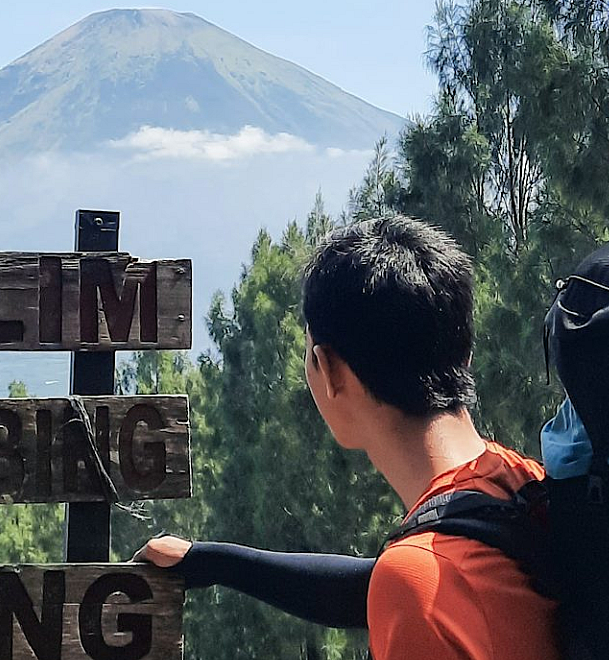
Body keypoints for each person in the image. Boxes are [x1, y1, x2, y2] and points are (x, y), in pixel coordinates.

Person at [134, 215, 558, 660]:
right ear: (463, 353)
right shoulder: (524, 486)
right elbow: (376, 585)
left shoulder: (419, 589)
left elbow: (411, 583)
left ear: (329, 369)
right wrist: (213, 562)